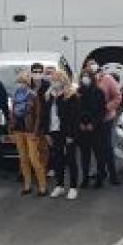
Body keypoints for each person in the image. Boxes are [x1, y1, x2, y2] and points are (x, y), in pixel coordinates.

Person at [9, 71, 49, 196]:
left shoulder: (33, 95)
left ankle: (43, 186)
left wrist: (35, 131)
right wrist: (11, 128)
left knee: (34, 159)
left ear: (27, 83)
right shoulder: (15, 95)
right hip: (18, 130)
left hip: (30, 130)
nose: (21, 84)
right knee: (23, 159)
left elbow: (38, 115)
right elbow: (12, 113)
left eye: (23, 82)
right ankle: (27, 185)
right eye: (19, 82)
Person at [47, 70, 83, 199]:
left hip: (68, 133)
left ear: (63, 81)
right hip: (54, 130)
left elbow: (75, 118)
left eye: (56, 80)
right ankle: (60, 185)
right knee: (58, 159)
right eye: (53, 80)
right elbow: (49, 116)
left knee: (71, 159)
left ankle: (73, 187)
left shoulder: (71, 96)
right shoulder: (50, 95)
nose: (54, 82)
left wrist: (71, 135)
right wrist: (48, 133)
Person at [75, 69, 106, 189]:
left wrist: (93, 124)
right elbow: (76, 111)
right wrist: (80, 123)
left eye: (87, 76)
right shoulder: (78, 92)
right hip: (82, 129)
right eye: (83, 76)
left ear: (92, 78)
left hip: (96, 128)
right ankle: (85, 178)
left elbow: (102, 111)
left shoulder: (99, 92)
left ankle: (99, 178)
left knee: (99, 155)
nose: (85, 78)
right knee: (84, 155)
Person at [94, 63, 123, 187]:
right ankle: (101, 173)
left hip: (106, 118)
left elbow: (117, 96)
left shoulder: (107, 79)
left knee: (106, 147)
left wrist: (107, 107)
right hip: (93, 121)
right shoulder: (88, 80)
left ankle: (113, 175)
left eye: (93, 66)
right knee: (97, 148)